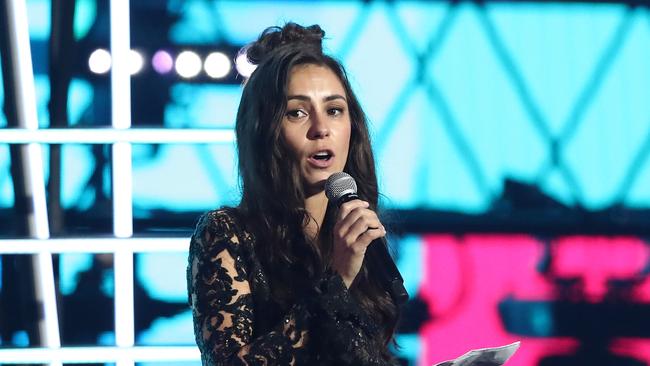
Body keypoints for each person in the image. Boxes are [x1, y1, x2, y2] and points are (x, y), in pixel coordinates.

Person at [187, 22, 399, 365]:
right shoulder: (226, 233)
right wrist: (337, 280)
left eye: (334, 110)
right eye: (297, 113)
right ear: (264, 131)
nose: (321, 129)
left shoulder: (354, 233)